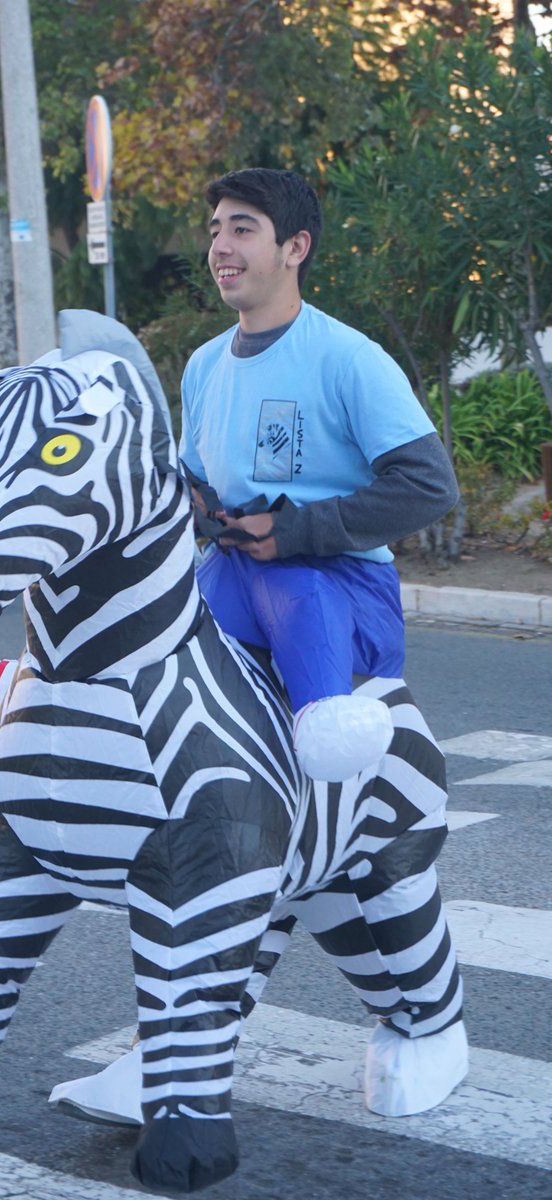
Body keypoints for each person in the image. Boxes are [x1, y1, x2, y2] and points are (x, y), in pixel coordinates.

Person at [179, 167, 459, 780]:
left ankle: (344, 832)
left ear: (294, 248)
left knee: (322, 739)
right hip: (233, 572)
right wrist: (208, 513)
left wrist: (293, 532)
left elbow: (429, 484)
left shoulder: (349, 358)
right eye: (215, 230)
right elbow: (191, 477)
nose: (220, 247)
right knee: (171, 662)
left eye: (243, 230)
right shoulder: (203, 367)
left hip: (339, 586)